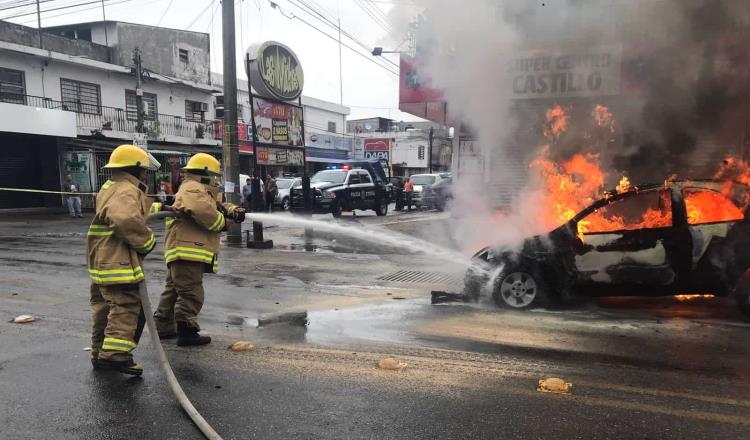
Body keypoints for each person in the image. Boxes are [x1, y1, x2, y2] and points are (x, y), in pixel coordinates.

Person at [153, 153, 245, 346]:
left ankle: (163, 327)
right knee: (191, 292)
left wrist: (234, 209)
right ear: (205, 173)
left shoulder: (200, 190)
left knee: (173, 290)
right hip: (188, 251)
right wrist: (226, 221)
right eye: (213, 174)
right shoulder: (193, 189)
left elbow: (217, 204)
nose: (215, 179)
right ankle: (187, 331)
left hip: (183, 251)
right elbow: (207, 214)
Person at [87, 144, 161, 376]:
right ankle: (115, 356)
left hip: (102, 261)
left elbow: (130, 210)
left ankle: (100, 353)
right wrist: (147, 242)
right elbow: (125, 218)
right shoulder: (127, 190)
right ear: (137, 170)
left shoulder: (110, 187)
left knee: (104, 309)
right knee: (126, 306)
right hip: (116, 261)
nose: (146, 175)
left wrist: (163, 206)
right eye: (145, 171)